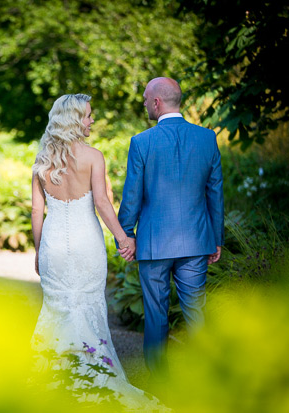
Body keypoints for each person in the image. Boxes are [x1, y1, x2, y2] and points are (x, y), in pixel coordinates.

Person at [30, 93, 164, 409]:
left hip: (52, 244)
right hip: (84, 241)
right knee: (86, 304)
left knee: (57, 307)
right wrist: (123, 239)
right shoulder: (93, 156)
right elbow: (102, 203)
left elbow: (38, 211)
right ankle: (94, 378)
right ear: (75, 120)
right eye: (88, 115)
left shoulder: (41, 162)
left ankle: (51, 381)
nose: (92, 120)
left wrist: (38, 252)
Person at [117, 77, 224, 378]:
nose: (143, 103)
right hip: (195, 241)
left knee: (156, 315)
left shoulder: (142, 142)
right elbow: (215, 192)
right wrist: (216, 238)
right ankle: (206, 375)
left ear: (157, 102)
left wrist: (126, 237)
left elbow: (132, 195)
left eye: (144, 98)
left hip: (154, 243)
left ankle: (159, 381)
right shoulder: (207, 138)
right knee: (196, 312)